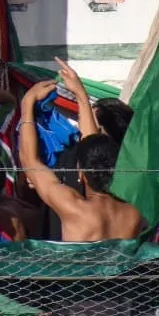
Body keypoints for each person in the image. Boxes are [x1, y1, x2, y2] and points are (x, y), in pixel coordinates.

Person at [18, 79, 142, 242]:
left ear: (81, 174)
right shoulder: (134, 214)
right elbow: (91, 147)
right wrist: (80, 95)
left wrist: (27, 104)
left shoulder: (74, 208)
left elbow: (30, 161)